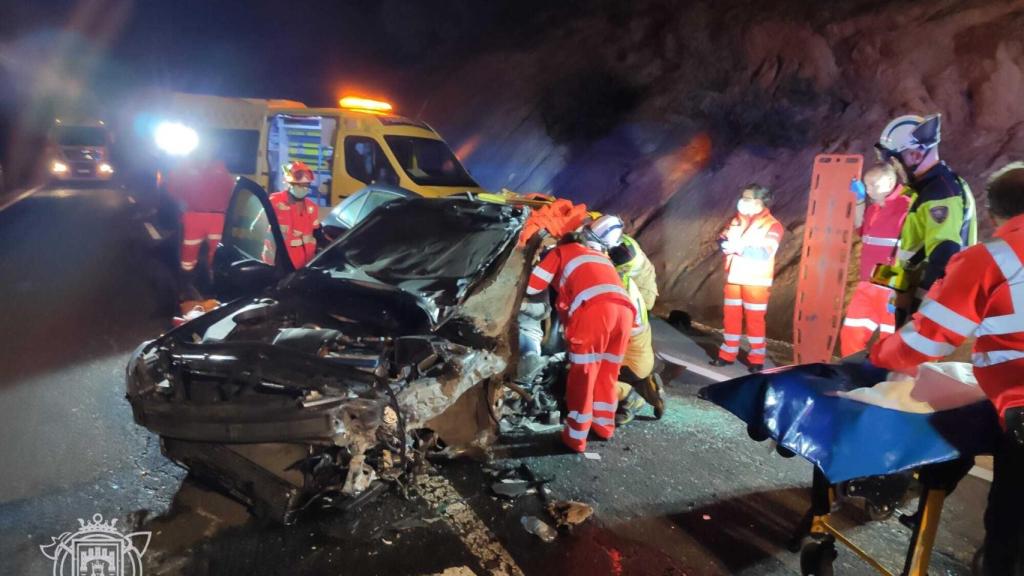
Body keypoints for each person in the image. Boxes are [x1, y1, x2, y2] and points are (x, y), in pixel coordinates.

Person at [870, 163, 1024, 576]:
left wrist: (878, 356)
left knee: (1009, 526)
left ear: (992, 214)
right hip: (1007, 401)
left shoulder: (993, 258)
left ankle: (905, 484)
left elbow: (928, 340)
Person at [526, 227, 635, 452]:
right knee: (607, 372)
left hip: (596, 314)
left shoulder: (560, 253)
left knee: (584, 375)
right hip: (624, 313)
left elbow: (531, 285)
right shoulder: (600, 257)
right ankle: (604, 426)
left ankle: (575, 437)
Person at [874, 114, 977, 321]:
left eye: (894, 161)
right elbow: (916, 253)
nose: (893, 168)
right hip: (914, 301)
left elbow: (943, 258)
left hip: (922, 312)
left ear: (914, 155)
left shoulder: (939, 194)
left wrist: (918, 317)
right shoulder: (931, 189)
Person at [583, 215, 665, 424]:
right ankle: (640, 381)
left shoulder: (622, 263)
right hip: (636, 340)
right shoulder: (616, 247)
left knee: (585, 377)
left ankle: (630, 397)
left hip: (633, 351)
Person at [839, 165, 912, 356]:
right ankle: (852, 379)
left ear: (889, 182)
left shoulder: (906, 206)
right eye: (866, 184)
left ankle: (885, 384)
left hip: (890, 281)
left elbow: (912, 249)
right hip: (868, 280)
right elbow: (860, 229)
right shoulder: (875, 209)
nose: (869, 188)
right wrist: (860, 201)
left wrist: (897, 289)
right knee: (851, 334)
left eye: (873, 184)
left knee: (889, 340)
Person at [711, 184, 784, 372]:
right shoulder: (736, 220)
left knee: (755, 321)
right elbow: (722, 237)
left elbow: (764, 253)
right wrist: (723, 244)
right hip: (734, 278)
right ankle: (727, 355)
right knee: (731, 318)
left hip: (756, 282)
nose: (741, 201)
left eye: (746, 198)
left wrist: (738, 248)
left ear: (759, 202)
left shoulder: (773, 226)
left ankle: (756, 359)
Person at [163, 149, 235, 297]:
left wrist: (184, 202)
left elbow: (172, 187)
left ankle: (187, 288)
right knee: (211, 256)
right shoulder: (220, 170)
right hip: (213, 217)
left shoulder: (187, 167)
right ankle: (208, 288)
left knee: (192, 258)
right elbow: (231, 191)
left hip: (198, 216)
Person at [269, 161, 321, 269]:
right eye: (300, 185)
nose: (304, 188)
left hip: (304, 264)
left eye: (307, 185)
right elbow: (258, 226)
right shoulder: (274, 201)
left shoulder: (312, 207)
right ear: (289, 184)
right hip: (278, 262)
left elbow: (317, 233)